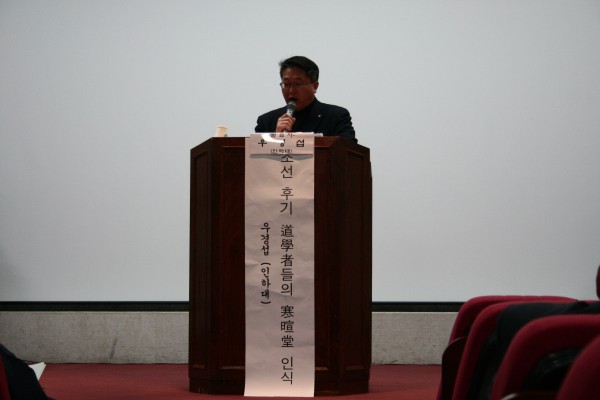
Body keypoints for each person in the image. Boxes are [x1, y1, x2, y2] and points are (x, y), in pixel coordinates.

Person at [255, 56, 357, 142]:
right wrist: (276, 137)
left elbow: (348, 151)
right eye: (286, 84)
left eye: (298, 84)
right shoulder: (266, 122)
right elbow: (255, 156)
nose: (291, 90)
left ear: (315, 86)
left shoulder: (336, 117)